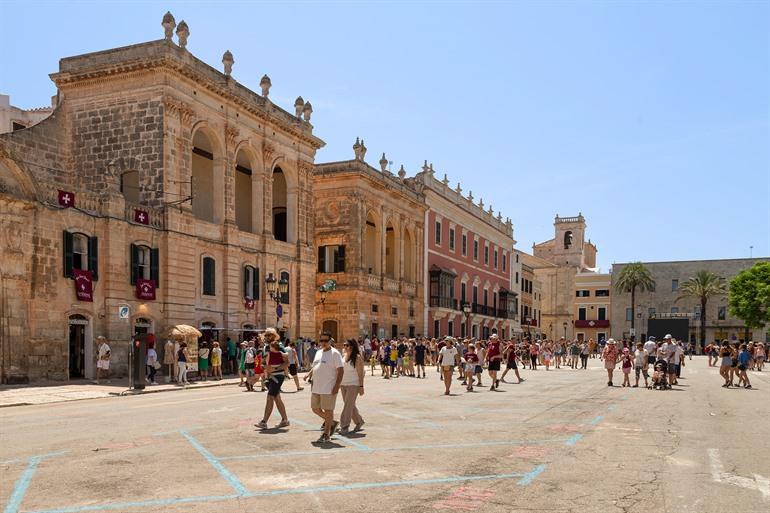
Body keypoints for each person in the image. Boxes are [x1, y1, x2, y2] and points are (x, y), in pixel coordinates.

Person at [306, 332, 344, 443]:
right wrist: (309, 374)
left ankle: (327, 434)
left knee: (328, 410)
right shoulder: (318, 352)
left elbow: (340, 371)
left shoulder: (335, 353)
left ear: (330, 341)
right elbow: (316, 366)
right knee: (315, 408)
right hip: (316, 386)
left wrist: (337, 386)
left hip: (328, 387)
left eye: (325, 341)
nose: (323, 343)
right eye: (321, 340)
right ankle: (331, 422)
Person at [255, 330, 291, 429]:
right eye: (266, 335)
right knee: (277, 398)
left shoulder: (279, 346)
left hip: (277, 376)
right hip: (269, 377)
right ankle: (285, 420)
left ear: (274, 336)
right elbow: (263, 362)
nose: (267, 337)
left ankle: (264, 422)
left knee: (270, 397)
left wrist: (274, 368)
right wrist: (263, 367)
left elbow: (287, 363)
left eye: (269, 335)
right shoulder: (266, 347)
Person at [338, 339, 365, 434]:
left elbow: (361, 373)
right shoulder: (343, 356)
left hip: (353, 384)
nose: (345, 347)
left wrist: (361, 386)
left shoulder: (357, 358)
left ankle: (344, 427)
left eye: (347, 345)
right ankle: (359, 421)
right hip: (343, 384)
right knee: (350, 405)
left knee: (347, 406)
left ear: (352, 347)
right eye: (344, 345)